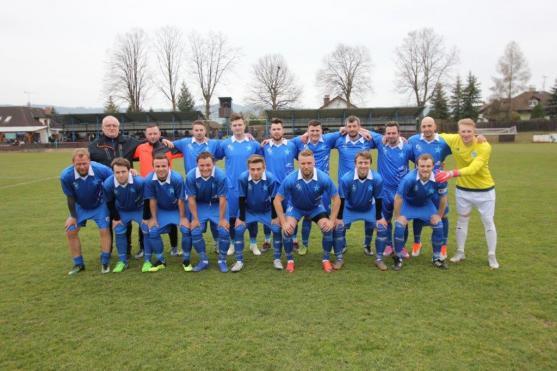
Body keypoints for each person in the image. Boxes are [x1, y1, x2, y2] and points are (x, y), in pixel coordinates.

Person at [436, 118, 499, 269]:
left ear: (474, 131)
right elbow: (433, 134)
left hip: (485, 191)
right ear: (458, 131)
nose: (466, 134)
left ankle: (492, 255)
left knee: (488, 222)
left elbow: (473, 169)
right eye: (463, 131)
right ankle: (460, 252)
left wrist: (451, 173)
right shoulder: (454, 139)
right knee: (462, 220)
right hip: (463, 191)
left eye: (469, 131)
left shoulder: (484, 145)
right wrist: (403, 139)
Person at [274, 150, 342, 273]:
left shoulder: (323, 178)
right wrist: (283, 222)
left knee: (327, 228)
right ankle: (290, 261)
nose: (306, 166)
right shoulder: (291, 178)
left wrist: (332, 221)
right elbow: (277, 200)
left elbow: (336, 199)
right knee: (288, 230)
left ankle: (326, 259)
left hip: (315, 208)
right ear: (298, 163)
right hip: (295, 208)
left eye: (309, 163)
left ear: (314, 162)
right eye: (303, 163)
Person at [59, 148, 113, 274]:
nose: (82, 167)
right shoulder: (66, 176)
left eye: (84, 163)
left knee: (104, 230)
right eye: (78, 164)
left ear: (89, 161)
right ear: (73, 163)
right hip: (80, 206)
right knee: (71, 231)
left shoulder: (101, 169)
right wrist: (73, 216)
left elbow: (113, 181)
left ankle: (105, 262)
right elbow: (70, 197)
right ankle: (78, 264)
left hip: (100, 205)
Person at [333, 115, 381, 255]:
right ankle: (343, 244)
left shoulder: (368, 140)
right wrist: (339, 130)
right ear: (346, 127)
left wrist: (367, 131)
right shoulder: (339, 140)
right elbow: (323, 137)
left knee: (369, 215)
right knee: (341, 218)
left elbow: (384, 138)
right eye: (349, 126)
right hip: (345, 187)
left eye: (355, 126)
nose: (352, 129)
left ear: (359, 127)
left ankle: (367, 245)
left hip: (365, 185)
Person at [216, 113, 262, 256]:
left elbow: (261, 159)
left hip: (251, 187)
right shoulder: (225, 144)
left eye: (240, 125)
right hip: (232, 188)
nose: (237, 127)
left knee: (252, 216)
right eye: (235, 125)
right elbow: (214, 158)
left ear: (244, 126)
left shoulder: (253, 144)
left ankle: (253, 244)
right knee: (232, 217)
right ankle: (232, 244)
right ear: (231, 127)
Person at [392, 154, 448, 271]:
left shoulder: (440, 178)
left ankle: (436, 257)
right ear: (417, 166)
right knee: (399, 225)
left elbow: (443, 198)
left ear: (433, 166)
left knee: (438, 224)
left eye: (428, 166)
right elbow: (398, 197)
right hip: (409, 205)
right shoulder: (408, 179)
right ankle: (398, 256)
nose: (425, 169)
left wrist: (439, 215)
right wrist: (397, 216)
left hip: (425, 204)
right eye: (422, 166)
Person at [133, 123, 182, 257]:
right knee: (145, 217)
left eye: (155, 133)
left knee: (171, 216)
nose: (153, 136)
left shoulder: (167, 147)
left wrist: (167, 141)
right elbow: (127, 156)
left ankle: (174, 247)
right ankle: (143, 247)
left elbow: (186, 150)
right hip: (147, 187)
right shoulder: (140, 148)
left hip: (166, 186)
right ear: (145, 135)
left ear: (160, 134)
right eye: (150, 134)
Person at [407, 117, 452, 258]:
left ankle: (443, 246)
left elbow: (462, 144)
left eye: (429, 126)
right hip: (419, 184)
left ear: (435, 126)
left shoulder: (444, 142)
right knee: (418, 213)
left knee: (442, 214)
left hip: (438, 183)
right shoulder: (413, 141)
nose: (427, 129)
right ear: (421, 127)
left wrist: (478, 137)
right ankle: (417, 242)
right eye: (424, 126)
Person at [337, 151, 387, 270]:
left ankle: (379, 259)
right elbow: (342, 199)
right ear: (355, 164)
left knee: (382, 227)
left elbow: (378, 198)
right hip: (350, 208)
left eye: (366, 162)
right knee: (338, 227)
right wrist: (338, 218)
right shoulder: (346, 179)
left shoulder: (377, 178)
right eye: (360, 163)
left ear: (370, 163)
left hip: (368, 208)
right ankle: (339, 257)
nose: (363, 165)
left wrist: (380, 217)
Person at [370, 121, 412, 259]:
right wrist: (343, 128)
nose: (391, 135)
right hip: (384, 190)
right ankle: (388, 245)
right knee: (384, 220)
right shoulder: (380, 142)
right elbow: (360, 130)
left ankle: (402, 246)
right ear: (385, 134)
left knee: (402, 220)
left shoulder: (407, 147)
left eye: (394, 133)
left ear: (399, 133)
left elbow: (420, 161)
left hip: (402, 191)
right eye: (388, 133)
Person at [234, 155, 282, 271]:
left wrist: (275, 216)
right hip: (249, 210)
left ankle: (277, 259)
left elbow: (274, 198)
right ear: (248, 169)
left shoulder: (271, 179)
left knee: (276, 229)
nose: (255, 172)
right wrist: (241, 217)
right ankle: (239, 261)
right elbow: (241, 197)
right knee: (239, 229)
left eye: (258, 169)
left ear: (264, 168)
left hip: (266, 210)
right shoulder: (242, 178)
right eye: (252, 169)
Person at [102, 157, 151, 272]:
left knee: (146, 229)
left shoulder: (139, 182)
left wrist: (146, 217)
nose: (120, 175)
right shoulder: (108, 184)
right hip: (122, 211)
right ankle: (122, 261)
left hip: (139, 209)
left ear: (129, 170)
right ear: (113, 172)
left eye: (123, 172)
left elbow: (147, 199)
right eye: (117, 172)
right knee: (119, 230)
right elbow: (109, 202)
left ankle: (148, 260)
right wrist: (116, 217)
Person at [143, 154, 190, 273]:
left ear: (169, 166)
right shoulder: (149, 180)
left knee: (185, 230)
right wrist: (153, 218)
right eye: (157, 166)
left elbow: (181, 200)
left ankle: (186, 259)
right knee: (152, 231)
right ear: (153, 167)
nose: (160, 169)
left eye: (163, 165)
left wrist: (183, 217)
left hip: (176, 209)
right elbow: (152, 200)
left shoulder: (177, 178)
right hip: (162, 210)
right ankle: (160, 260)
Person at [185, 152, 230, 272]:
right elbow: (191, 199)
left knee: (224, 230)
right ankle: (203, 260)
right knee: (195, 231)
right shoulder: (191, 176)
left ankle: (222, 260)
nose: (205, 168)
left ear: (214, 163)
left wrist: (222, 219)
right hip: (200, 205)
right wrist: (194, 219)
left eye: (208, 165)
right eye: (202, 165)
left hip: (216, 204)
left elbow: (222, 199)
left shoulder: (221, 175)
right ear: (197, 164)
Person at [261, 118, 299, 252]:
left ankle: (294, 240)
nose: (276, 132)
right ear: (270, 131)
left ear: (283, 130)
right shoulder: (264, 146)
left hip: (289, 187)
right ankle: (267, 240)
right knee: (270, 213)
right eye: (274, 129)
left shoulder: (292, 145)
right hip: (270, 187)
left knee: (292, 212)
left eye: (279, 129)